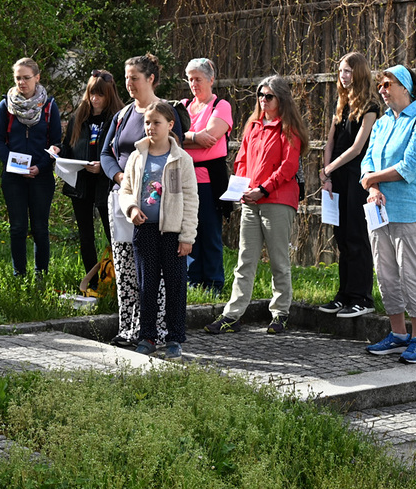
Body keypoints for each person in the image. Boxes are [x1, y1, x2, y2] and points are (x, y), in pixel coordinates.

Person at [100, 54, 190, 346]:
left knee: (157, 272)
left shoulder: (164, 113)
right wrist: (119, 177)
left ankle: (157, 330)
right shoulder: (123, 114)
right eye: (126, 78)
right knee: (127, 265)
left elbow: (176, 160)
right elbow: (106, 153)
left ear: (150, 79)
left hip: (157, 207)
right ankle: (129, 328)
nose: (129, 83)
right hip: (123, 198)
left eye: (134, 78)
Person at [205, 75, 306, 336]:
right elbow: (241, 160)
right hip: (251, 201)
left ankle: (280, 313)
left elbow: (288, 166)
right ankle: (232, 315)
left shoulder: (289, 128)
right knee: (244, 260)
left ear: (281, 99)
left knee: (279, 261)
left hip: (277, 201)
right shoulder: (254, 126)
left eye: (269, 96)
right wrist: (241, 188)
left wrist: (263, 189)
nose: (263, 99)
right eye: (260, 95)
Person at [359, 65, 416, 365]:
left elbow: (409, 166)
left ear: (405, 87)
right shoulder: (381, 123)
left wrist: (372, 179)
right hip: (378, 209)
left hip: (410, 211)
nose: (382, 90)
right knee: (386, 274)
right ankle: (398, 334)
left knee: (409, 274)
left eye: (387, 84)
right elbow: (367, 160)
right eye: (380, 85)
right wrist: (372, 187)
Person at [117, 100, 199, 358]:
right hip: (145, 231)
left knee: (175, 286)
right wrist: (131, 208)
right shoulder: (136, 156)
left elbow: (191, 200)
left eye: (156, 122)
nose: (150, 127)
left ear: (170, 125)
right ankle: (147, 336)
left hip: (173, 234)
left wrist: (187, 236)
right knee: (147, 285)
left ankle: (174, 338)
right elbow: (126, 190)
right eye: (147, 122)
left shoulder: (182, 159)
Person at [317, 52, 379, 319]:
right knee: (341, 237)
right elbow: (330, 141)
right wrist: (327, 175)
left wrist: (330, 168)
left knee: (356, 236)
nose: (343, 76)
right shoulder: (340, 103)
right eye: (341, 70)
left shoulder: (371, 106)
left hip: (357, 175)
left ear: (359, 73)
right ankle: (344, 295)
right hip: (337, 176)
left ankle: (362, 297)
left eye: (348, 71)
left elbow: (356, 147)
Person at [0, 57, 61, 278]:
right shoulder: (6, 105)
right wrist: (14, 165)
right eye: (18, 78)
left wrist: (41, 166)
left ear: (37, 77)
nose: (21, 82)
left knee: (40, 228)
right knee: (18, 227)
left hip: (41, 176)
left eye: (26, 78)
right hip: (13, 177)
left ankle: (41, 275)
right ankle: (19, 275)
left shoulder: (49, 106)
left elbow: (56, 143)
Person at [60, 69, 121, 291]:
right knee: (85, 236)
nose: (95, 99)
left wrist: (103, 168)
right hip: (81, 183)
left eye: (100, 94)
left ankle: (117, 281)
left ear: (109, 94)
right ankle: (92, 284)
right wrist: (58, 151)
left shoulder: (118, 117)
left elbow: (122, 153)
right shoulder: (79, 116)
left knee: (113, 234)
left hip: (106, 184)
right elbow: (69, 147)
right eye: (91, 93)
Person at [180, 58, 234, 292]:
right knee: (188, 231)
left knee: (210, 231)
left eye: (198, 79)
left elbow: (210, 138)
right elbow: (170, 136)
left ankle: (213, 283)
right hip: (184, 178)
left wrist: (184, 138)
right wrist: (194, 137)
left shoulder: (220, 106)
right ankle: (193, 281)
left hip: (209, 181)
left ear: (211, 80)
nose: (193, 84)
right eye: (190, 79)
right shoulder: (183, 106)